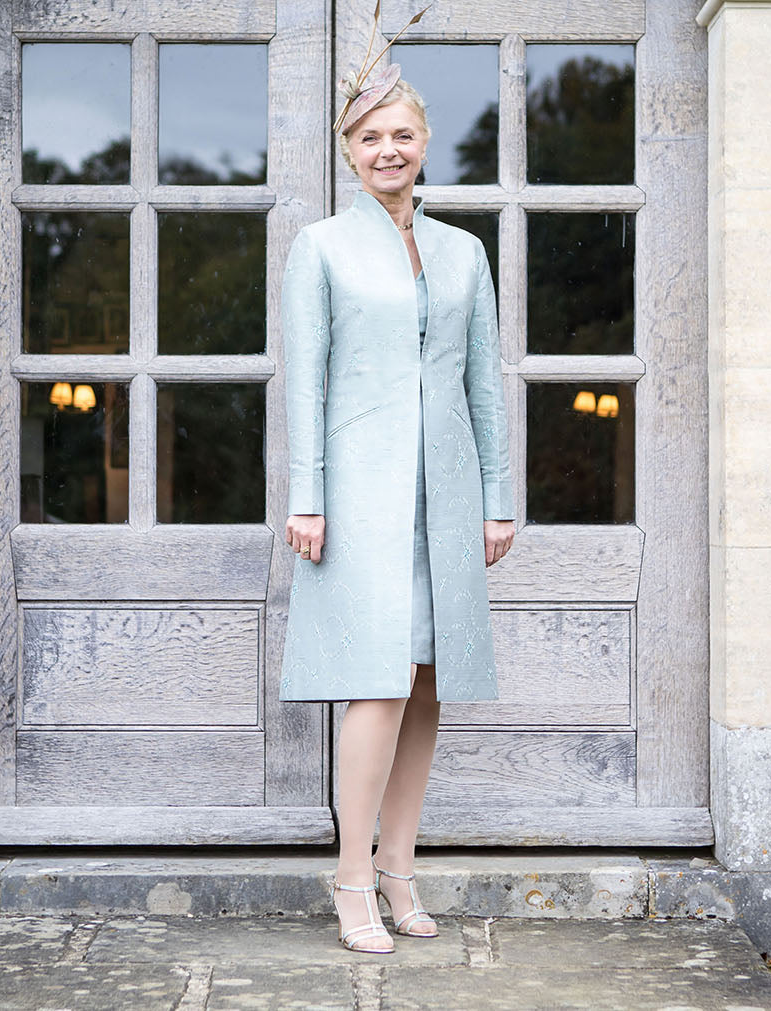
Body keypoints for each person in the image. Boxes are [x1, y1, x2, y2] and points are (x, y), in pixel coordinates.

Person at [278, 43, 516, 955]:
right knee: (375, 682)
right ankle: (350, 881)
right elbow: (307, 380)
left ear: (425, 142)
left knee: (428, 682)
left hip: (447, 495)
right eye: (371, 136)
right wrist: (308, 497)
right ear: (348, 149)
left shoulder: (463, 251)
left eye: (403, 134)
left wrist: (497, 500)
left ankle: (400, 870)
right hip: (359, 496)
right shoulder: (323, 247)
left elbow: (484, 387)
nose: (389, 148)